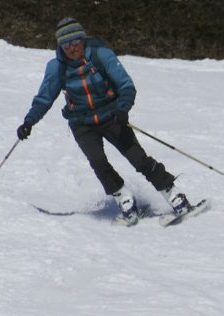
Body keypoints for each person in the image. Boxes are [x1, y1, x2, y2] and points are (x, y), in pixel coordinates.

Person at [17, 17, 197, 225]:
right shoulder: (57, 67)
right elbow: (44, 98)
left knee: (138, 159)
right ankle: (125, 200)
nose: (71, 48)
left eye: (75, 41)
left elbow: (126, 85)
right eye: (65, 44)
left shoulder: (100, 54)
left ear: (82, 39)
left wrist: (122, 109)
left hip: (111, 116)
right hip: (82, 123)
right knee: (98, 161)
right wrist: (29, 121)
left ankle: (174, 195)